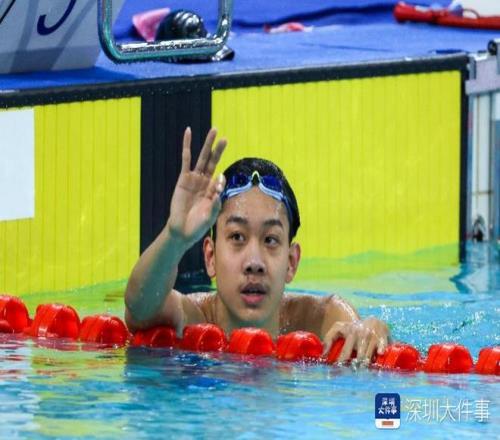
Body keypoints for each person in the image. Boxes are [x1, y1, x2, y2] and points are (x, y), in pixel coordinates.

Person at [125, 127, 390, 362]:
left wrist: (372, 330)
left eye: (270, 240)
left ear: (291, 262)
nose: (254, 263)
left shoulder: (319, 319)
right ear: (210, 256)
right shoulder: (191, 317)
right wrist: (175, 238)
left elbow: (357, 334)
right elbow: (139, 306)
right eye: (237, 237)